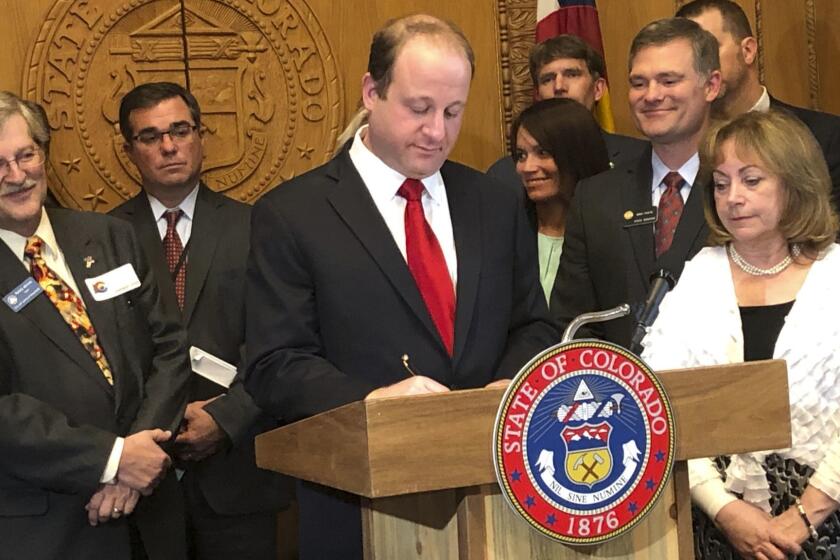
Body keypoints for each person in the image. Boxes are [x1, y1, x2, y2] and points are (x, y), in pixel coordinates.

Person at [244, 14, 557, 559]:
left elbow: (532, 323)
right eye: (419, 108)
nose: (437, 131)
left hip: (494, 502)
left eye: (453, 111)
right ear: (372, 92)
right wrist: (374, 403)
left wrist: (507, 383)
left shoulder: (494, 202)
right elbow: (276, 363)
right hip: (359, 509)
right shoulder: (292, 214)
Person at [0, 91, 190, 559]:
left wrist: (138, 461)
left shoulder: (109, 236)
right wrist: (113, 459)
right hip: (49, 525)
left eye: (26, 155)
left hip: (151, 512)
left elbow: (169, 348)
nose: (17, 175)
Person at [642, 109, 840, 559]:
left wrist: (805, 515)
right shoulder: (697, 277)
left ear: (795, 183)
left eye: (752, 181)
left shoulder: (836, 275)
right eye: (721, 183)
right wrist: (724, 508)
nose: (733, 197)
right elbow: (661, 406)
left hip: (827, 520)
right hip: (717, 525)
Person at [110, 82, 290, 560]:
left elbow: (284, 339)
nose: (168, 146)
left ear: (201, 135)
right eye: (149, 137)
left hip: (238, 475)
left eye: (179, 130)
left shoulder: (258, 226)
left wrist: (227, 416)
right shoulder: (101, 240)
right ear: (128, 151)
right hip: (143, 480)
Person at [549, 17, 721, 348]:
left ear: (711, 85)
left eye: (668, 80)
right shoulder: (594, 197)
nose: (651, 95)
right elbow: (572, 323)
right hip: (621, 394)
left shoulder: (744, 189)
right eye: (639, 83)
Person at [676, 0, 840, 209]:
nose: (699, 65)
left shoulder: (826, 138)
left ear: (748, 50)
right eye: (689, 56)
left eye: (709, 49)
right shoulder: (681, 149)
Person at [487, 34, 646, 190]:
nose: (559, 87)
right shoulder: (505, 175)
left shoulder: (640, 158)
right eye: (548, 79)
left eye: (571, 74)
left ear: (598, 89)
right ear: (538, 96)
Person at [510, 97, 610, 303]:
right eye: (521, 155)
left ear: (577, 154)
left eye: (543, 153)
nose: (527, 167)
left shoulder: (610, 237)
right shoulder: (508, 233)